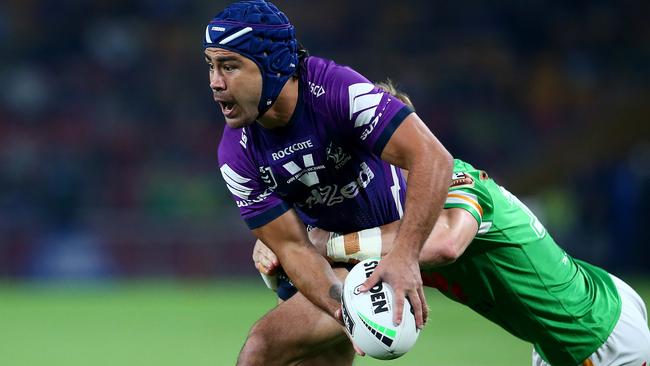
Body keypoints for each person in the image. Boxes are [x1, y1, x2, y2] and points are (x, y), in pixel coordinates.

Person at [252, 83, 650, 366]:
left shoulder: (459, 180)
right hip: (557, 336)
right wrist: (282, 243)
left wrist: (328, 244)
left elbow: (444, 242)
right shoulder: (391, 216)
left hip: (595, 334)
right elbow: (328, 271)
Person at [203, 1, 453, 364]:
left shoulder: (337, 91)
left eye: (229, 66)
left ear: (274, 64)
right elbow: (292, 250)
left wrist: (405, 256)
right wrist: (346, 314)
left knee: (260, 348)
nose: (215, 82)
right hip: (325, 264)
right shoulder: (236, 155)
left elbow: (433, 158)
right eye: (210, 66)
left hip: (393, 245)